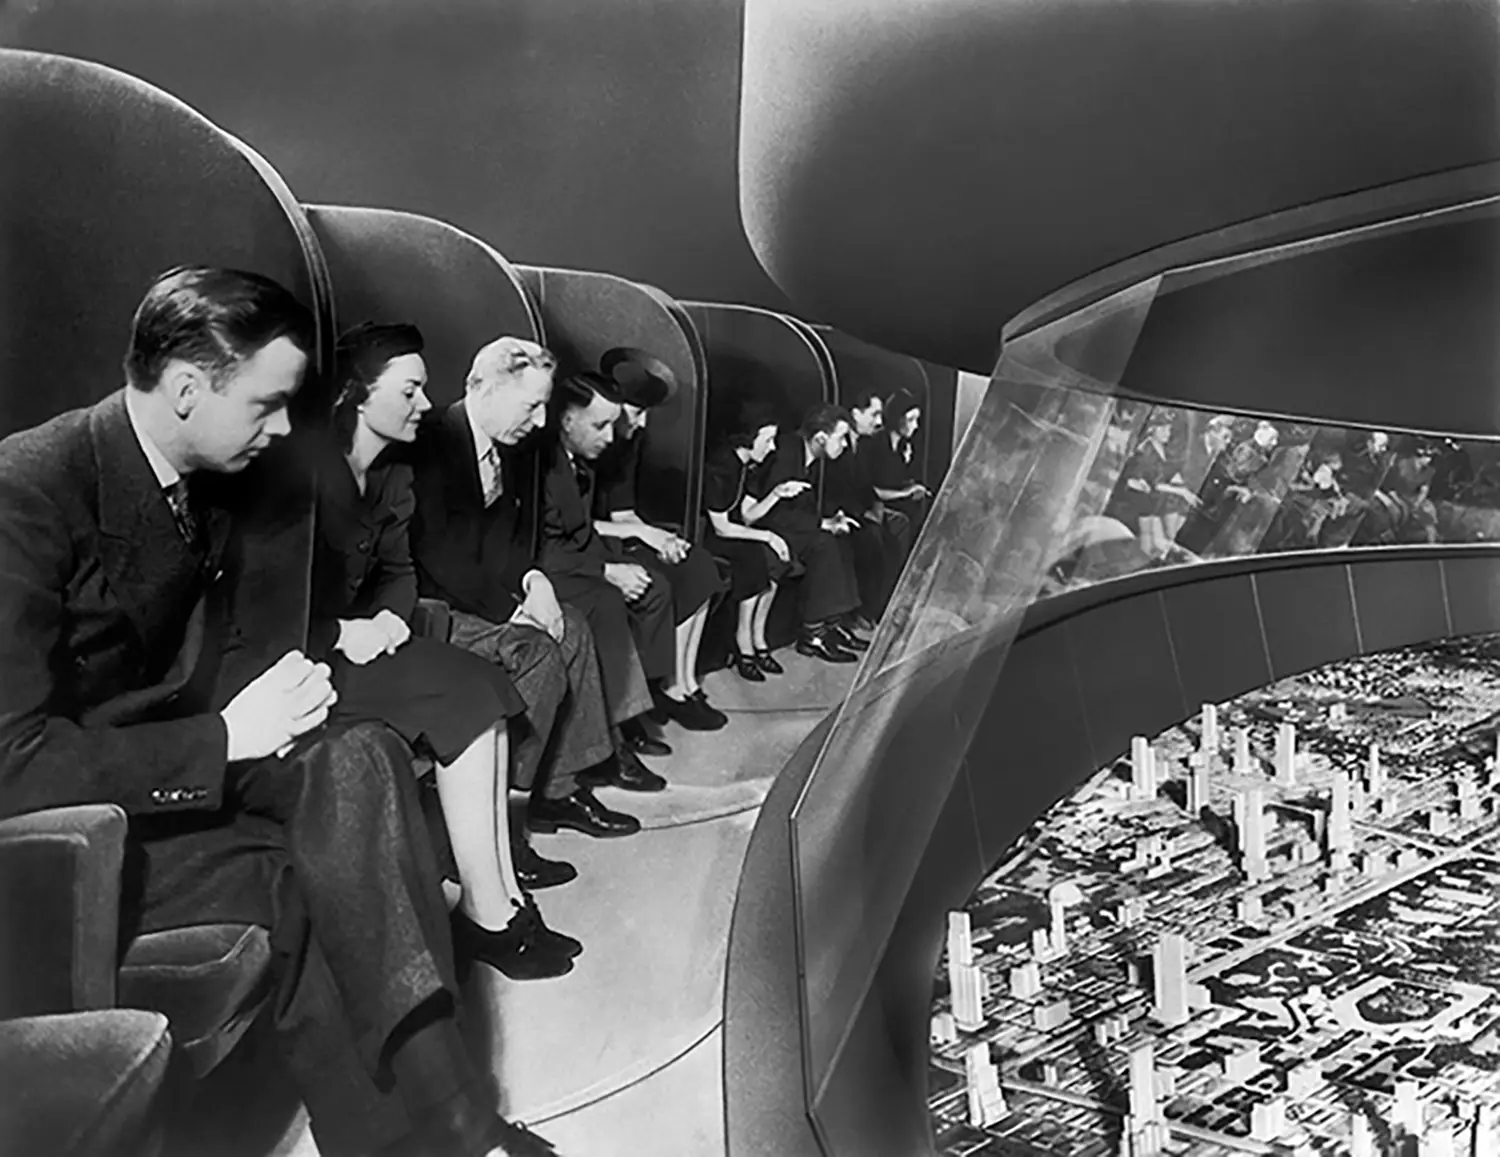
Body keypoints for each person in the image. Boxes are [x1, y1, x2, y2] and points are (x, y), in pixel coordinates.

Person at [0, 268, 555, 1157]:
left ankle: (450, 1126)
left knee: (362, 757)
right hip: (72, 842)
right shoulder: (26, 492)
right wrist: (228, 736)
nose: (286, 429)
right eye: (267, 404)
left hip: (170, 792)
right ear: (186, 388)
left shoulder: (208, 480)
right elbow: (12, 763)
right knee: (329, 872)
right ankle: (446, 1131)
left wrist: (276, 709)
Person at [311, 322, 580, 979]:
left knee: (484, 688)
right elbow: (269, 605)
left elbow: (400, 573)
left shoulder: (392, 473)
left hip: (370, 642)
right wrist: (344, 631)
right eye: (410, 390)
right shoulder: (310, 473)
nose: (425, 405)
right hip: (307, 654)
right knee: (466, 690)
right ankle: (488, 915)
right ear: (357, 395)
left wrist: (386, 620)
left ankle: (503, 894)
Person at [406, 336, 664, 831]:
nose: (542, 421)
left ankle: (559, 790)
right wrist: (513, 609)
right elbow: (437, 553)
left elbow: (515, 543)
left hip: (482, 595)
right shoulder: (433, 442)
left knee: (572, 627)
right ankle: (502, 818)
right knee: (538, 648)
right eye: (532, 406)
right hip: (432, 604)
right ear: (484, 389)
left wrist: (533, 581)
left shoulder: (513, 449)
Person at [592, 348, 728, 726]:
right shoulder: (581, 447)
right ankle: (668, 686)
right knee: (664, 580)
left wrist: (659, 538)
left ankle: (683, 682)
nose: (644, 423)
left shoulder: (625, 445)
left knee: (697, 565)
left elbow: (623, 512)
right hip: (593, 546)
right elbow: (577, 525)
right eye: (637, 412)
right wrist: (641, 533)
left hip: (616, 534)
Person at [745, 403, 866, 663]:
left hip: (789, 526)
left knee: (840, 538)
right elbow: (771, 511)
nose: (844, 444)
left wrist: (829, 520)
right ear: (821, 438)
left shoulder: (809, 459)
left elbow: (799, 510)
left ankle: (833, 624)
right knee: (824, 543)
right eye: (841, 437)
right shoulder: (787, 452)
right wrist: (820, 525)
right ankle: (813, 634)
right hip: (765, 527)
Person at [701, 401, 797, 680]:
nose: (772, 447)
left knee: (772, 558)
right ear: (747, 438)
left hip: (730, 531)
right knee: (753, 554)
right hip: (708, 534)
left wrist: (777, 493)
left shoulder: (746, 465)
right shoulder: (721, 466)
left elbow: (747, 516)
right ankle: (743, 639)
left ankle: (758, 637)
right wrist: (768, 536)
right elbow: (721, 528)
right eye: (767, 439)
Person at [826, 385, 915, 622]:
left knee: (895, 534)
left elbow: (866, 486)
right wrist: (864, 513)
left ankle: (885, 605)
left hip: (863, 509)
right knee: (873, 539)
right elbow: (835, 491)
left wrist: (875, 508)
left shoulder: (864, 446)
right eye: (874, 415)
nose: (878, 422)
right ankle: (865, 611)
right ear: (855, 414)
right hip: (840, 513)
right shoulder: (837, 446)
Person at [866, 389, 932, 529]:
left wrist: (914, 488)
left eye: (916, 420)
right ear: (897, 418)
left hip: (894, 503)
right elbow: (871, 489)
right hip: (872, 504)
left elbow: (896, 481)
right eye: (910, 420)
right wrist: (905, 493)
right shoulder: (876, 443)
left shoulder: (904, 447)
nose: (915, 426)